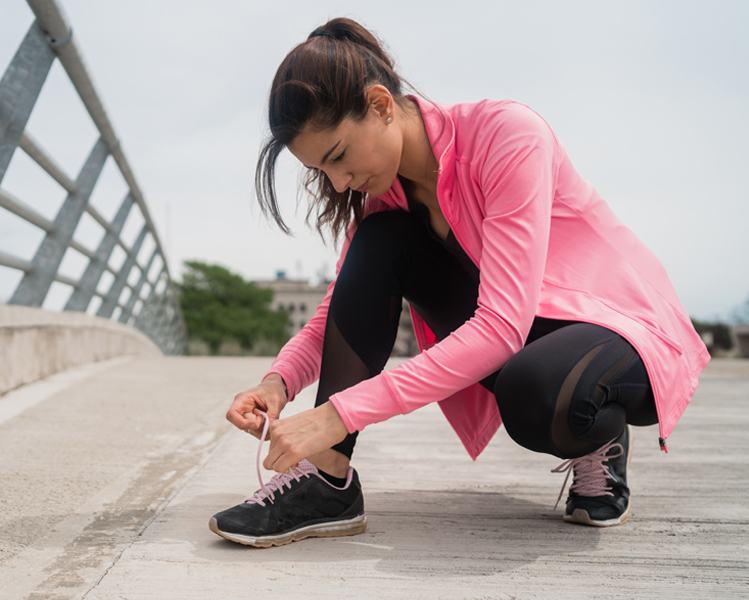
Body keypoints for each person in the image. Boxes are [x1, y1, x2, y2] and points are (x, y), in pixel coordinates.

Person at [208, 17, 710, 548]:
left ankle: (600, 441)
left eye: (337, 157)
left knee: (537, 396)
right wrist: (278, 383)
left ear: (380, 106)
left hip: (617, 327)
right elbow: (337, 311)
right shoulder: (387, 201)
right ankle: (327, 480)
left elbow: (500, 329)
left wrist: (337, 413)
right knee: (380, 241)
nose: (338, 183)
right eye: (321, 172)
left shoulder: (507, 136)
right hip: (523, 334)